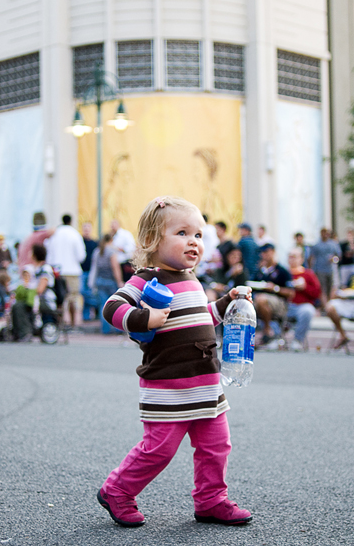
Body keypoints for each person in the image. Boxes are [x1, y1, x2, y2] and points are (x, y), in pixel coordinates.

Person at [97, 195, 252, 528]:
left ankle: (212, 500)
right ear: (153, 240)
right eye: (182, 233)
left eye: (198, 235)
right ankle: (117, 491)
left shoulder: (192, 279)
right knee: (159, 449)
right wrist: (144, 318)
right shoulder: (147, 279)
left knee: (216, 445)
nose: (193, 242)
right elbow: (112, 308)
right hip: (168, 384)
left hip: (205, 382)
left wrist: (227, 301)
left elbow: (203, 316)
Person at [46, 214, 86, 329]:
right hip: (73, 271)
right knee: (73, 298)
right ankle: (73, 324)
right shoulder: (75, 234)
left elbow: (49, 255)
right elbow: (81, 256)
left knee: (60, 298)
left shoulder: (55, 235)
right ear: (71, 221)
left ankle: (60, 324)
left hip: (58, 271)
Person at [11, 244, 57, 341]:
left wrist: (29, 290)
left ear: (35, 255)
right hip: (34, 299)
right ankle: (17, 332)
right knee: (16, 305)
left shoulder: (45, 269)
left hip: (44, 300)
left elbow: (40, 289)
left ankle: (26, 332)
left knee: (19, 307)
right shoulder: (32, 268)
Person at [251, 243, 295, 345]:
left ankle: (267, 330)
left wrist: (275, 288)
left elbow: (290, 293)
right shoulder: (259, 271)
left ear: (273, 252)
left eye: (267, 252)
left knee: (261, 299)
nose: (264, 255)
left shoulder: (282, 271)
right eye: (262, 253)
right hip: (258, 301)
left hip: (278, 303)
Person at [286, 247, 321, 351]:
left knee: (308, 311)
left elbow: (317, 293)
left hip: (302, 305)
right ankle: (274, 338)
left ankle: (297, 340)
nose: (292, 259)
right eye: (290, 257)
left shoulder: (308, 274)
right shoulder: (284, 273)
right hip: (286, 306)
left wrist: (305, 287)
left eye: (294, 257)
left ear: (301, 259)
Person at [88, 233, 123, 334]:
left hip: (100, 280)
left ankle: (105, 329)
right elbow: (115, 267)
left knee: (103, 305)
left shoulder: (97, 251)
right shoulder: (112, 251)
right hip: (110, 281)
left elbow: (94, 268)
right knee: (115, 305)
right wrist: (119, 281)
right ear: (111, 241)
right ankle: (117, 328)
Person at [308, 228, 341, 312]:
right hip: (319, 269)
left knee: (330, 288)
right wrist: (310, 269)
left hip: (330, 270)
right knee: (322, 289)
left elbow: (338, 256)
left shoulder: (333, 244)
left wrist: (334, 259)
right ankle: (326, 307)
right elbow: (312, 257)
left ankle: (330, 306)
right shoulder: (317, 245)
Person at [80, 223, 98, 321]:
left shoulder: (94, 243)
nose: (86, 231)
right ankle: (86, 315)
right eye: (85, 229)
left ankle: (95, 309)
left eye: (88, 229)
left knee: (90, 293)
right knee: (83, 292)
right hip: (82, 271)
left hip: (92, 272)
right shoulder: (80, 242)